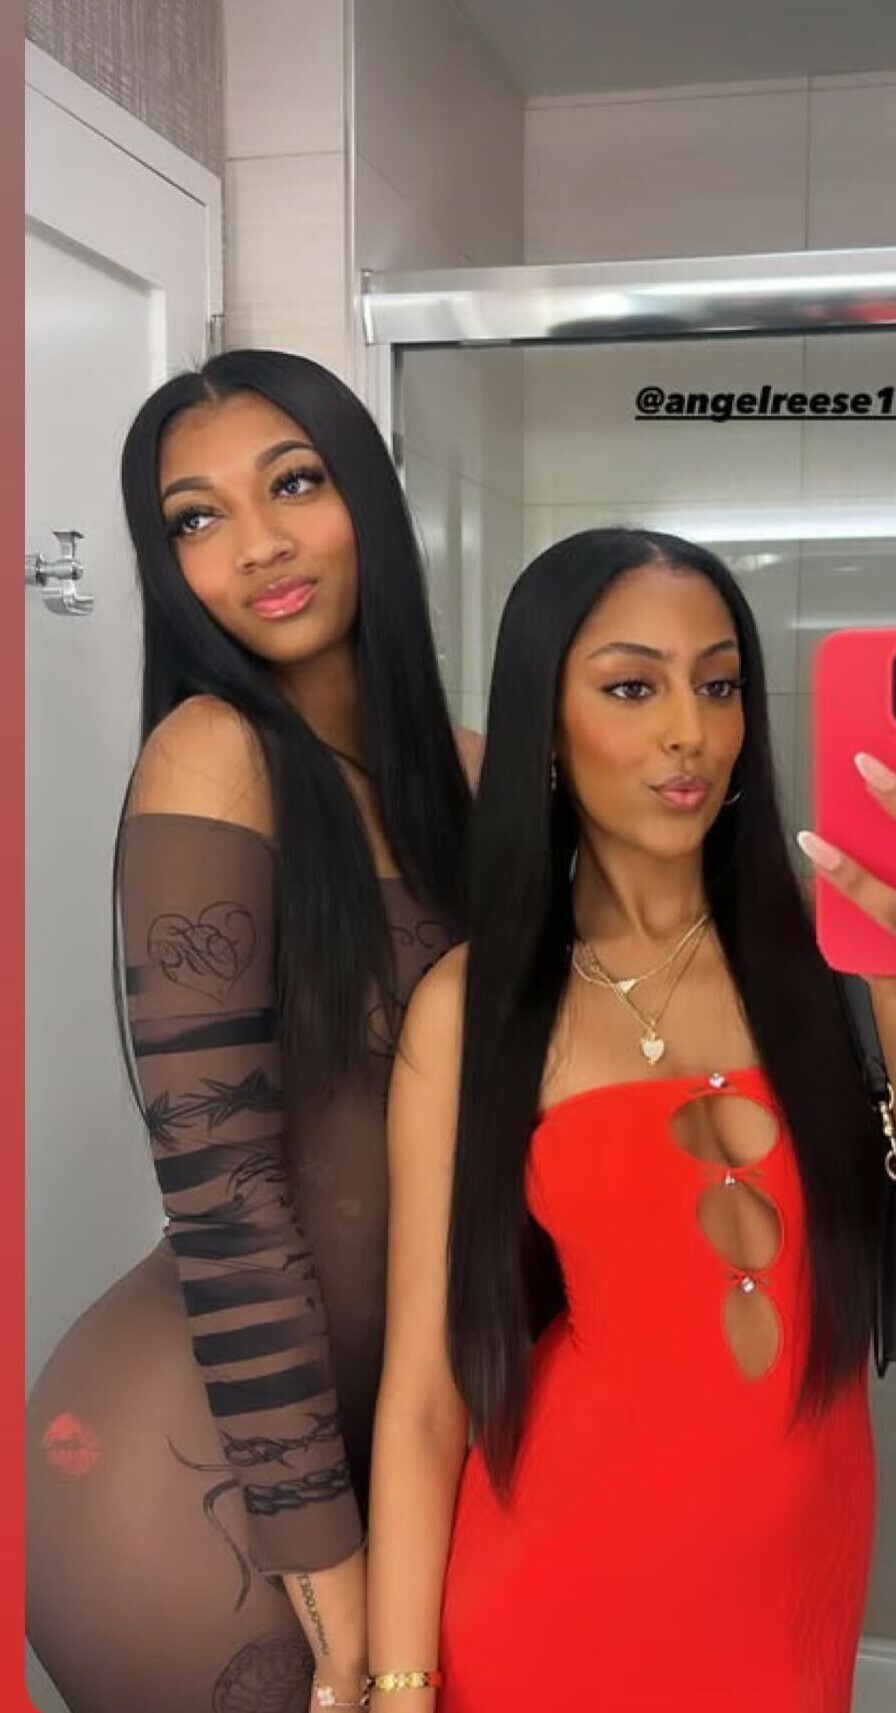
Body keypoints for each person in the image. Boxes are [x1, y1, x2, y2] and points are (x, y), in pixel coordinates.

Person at [366, 528, 896, 1713]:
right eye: (633, 688)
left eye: (720, 684)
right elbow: (426, 1395)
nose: (690, 729)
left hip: (787, 1607)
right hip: (547, 1601)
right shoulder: (473, 1009)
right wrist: (394, 1684)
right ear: (543, 727)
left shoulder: (846, 951)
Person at [26, 350, 482, 1713]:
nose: (259, 544)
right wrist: (327, 1567)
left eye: (294, 483)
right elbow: (225, 1203)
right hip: (200, 1480)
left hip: (402, 1438)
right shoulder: (212, 753)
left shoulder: (474, 777)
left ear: (369, 495)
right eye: (197, 517)